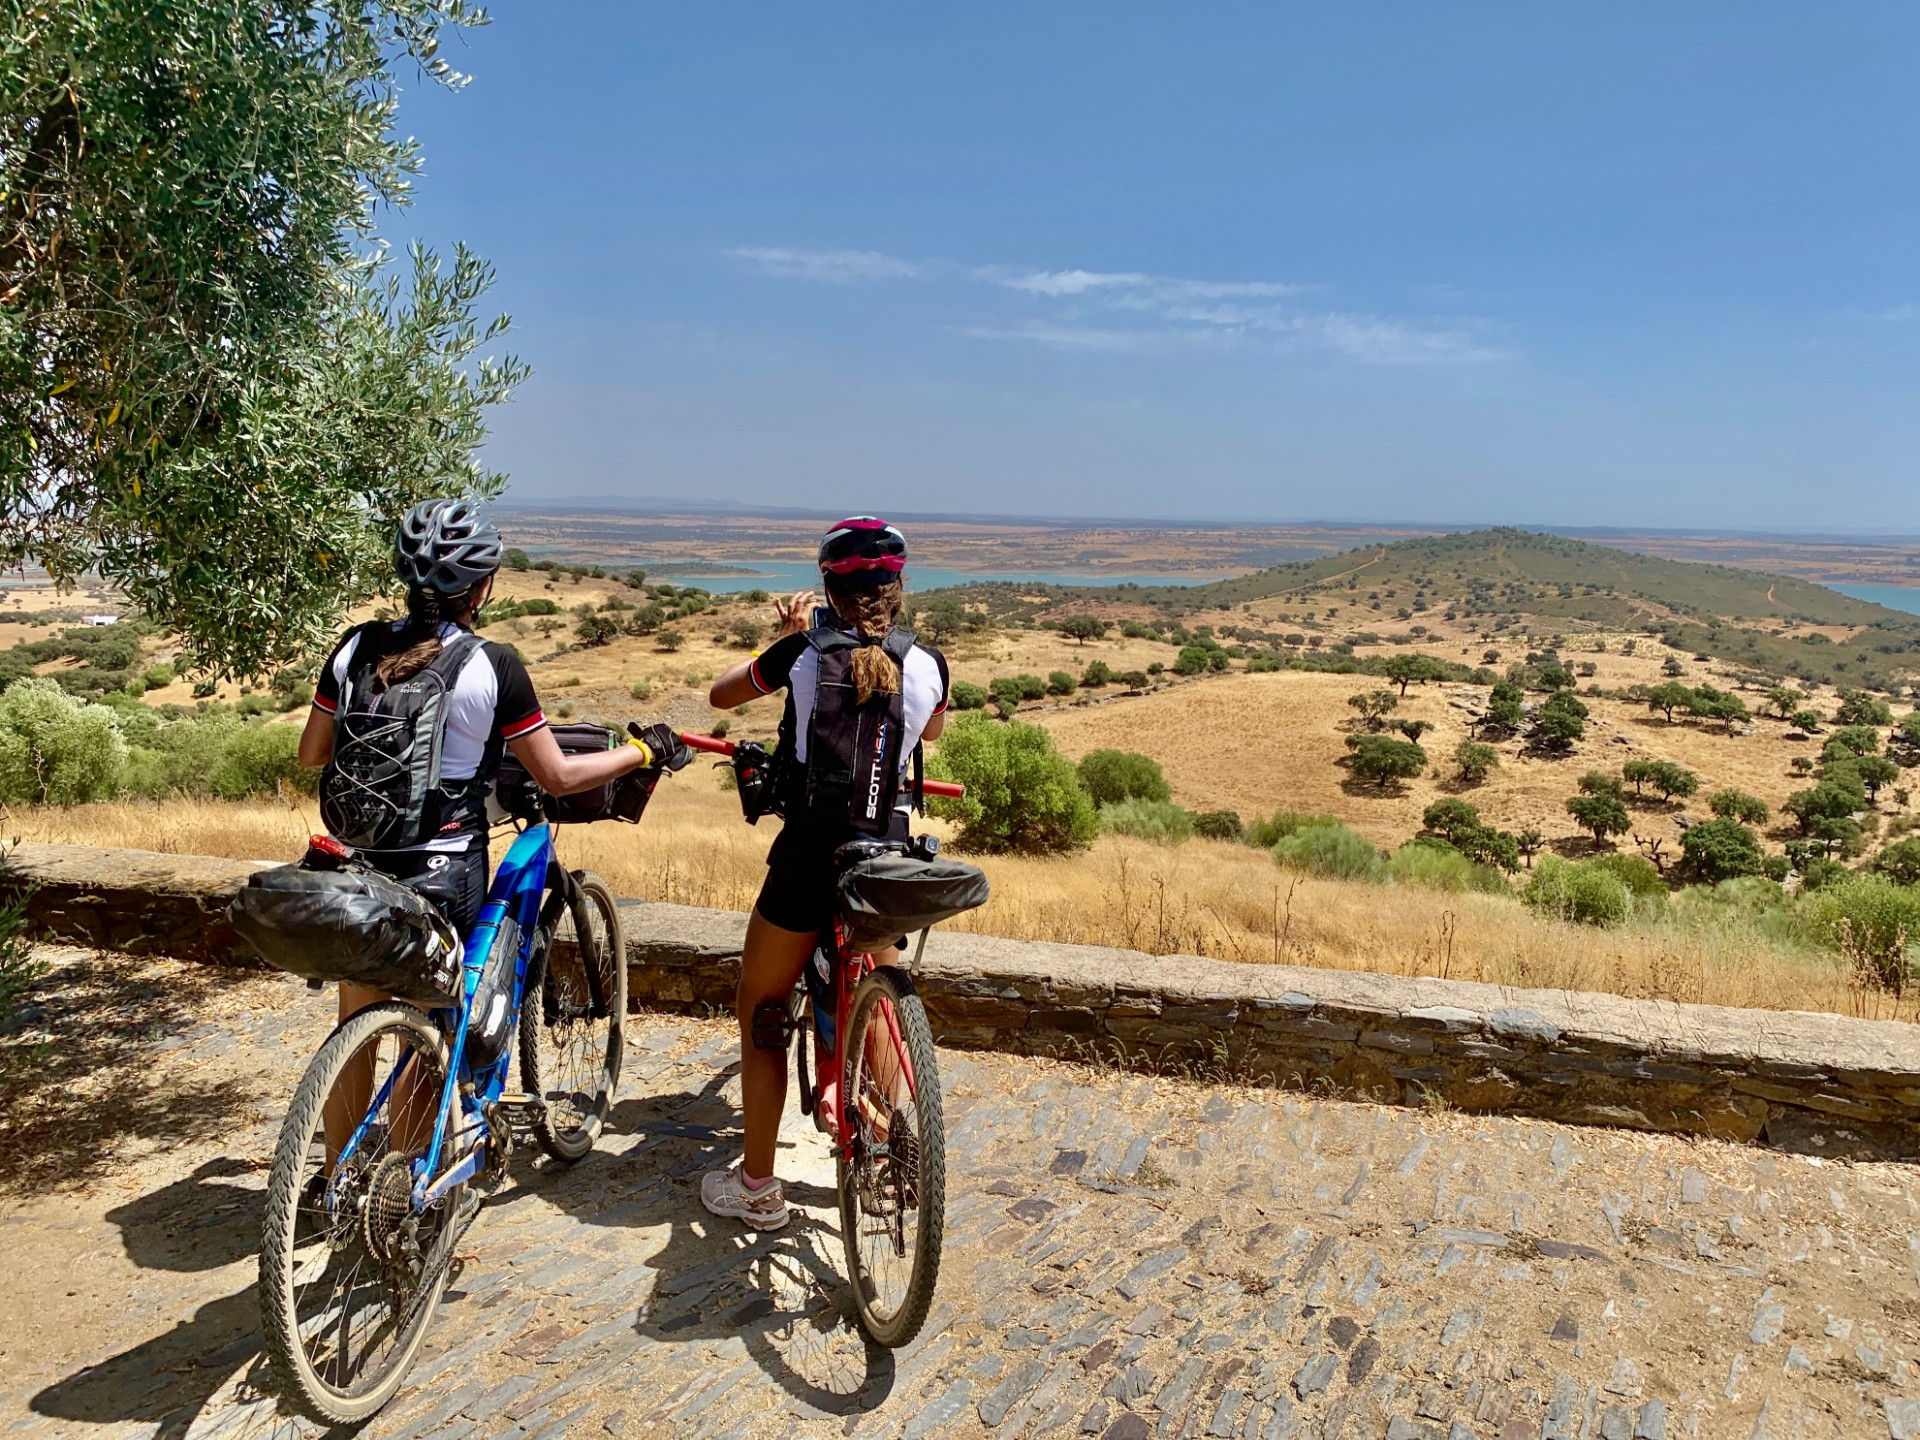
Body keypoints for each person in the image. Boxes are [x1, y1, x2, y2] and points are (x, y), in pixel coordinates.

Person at [297, 498, 674, 1154]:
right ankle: (414, 1196)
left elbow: (312, 754)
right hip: (443, 873)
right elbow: (556, 776)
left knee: (354, 1015)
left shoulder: (355, 645)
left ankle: (337, 1175)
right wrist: (642, 752)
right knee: (438, 1030)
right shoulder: (492, 664)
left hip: (360, 865)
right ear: (483, 586)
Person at [699, 516, 950, 1230]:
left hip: (813, 856)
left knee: (761, 1006)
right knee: (878, 978)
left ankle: (755, 1187)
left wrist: (782, 637)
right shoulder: (928, 664)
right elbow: (929, 732)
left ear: (826, 590)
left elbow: (721, 697)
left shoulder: (802, 656)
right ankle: (883, 1143)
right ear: (897, 590)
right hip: (886, 860)